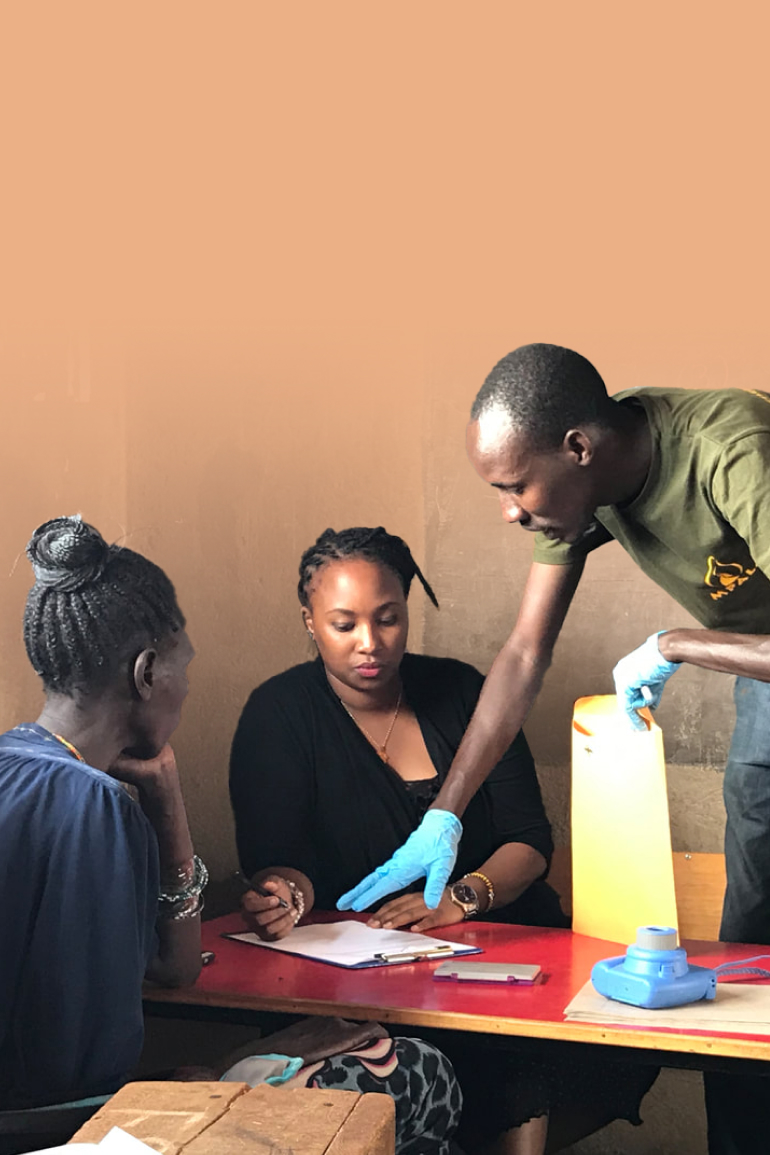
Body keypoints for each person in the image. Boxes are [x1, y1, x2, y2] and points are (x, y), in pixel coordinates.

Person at [336, 345, 770, 1153]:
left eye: (513, 486)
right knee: (746, 966)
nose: (509, 511)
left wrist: (677, 642)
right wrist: (444, 816)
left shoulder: (731, 448)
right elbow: (524, 655)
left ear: (579, 447)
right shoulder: (588, 483)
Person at [0, 516, 461, 1155]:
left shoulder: (18, 765)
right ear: (146, 674)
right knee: (412, 1069)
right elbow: (83, 1074)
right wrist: (240, 1061)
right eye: (183, 664)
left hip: (47, 1113)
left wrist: (166, 799)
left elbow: (168, 970)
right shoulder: (95, 807)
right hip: (68, 1130)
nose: (186, 685)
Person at [229, 525, 657, 1155]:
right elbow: (280, 860)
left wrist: (462, 898)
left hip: (500, 952)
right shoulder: (279, 713)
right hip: (357, 976)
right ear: (309, 621)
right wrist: (284, 894)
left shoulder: (465, 694)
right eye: (344, 624)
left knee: (534, 1050)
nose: (369, 644)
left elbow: (529, 841)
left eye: (389, 619)